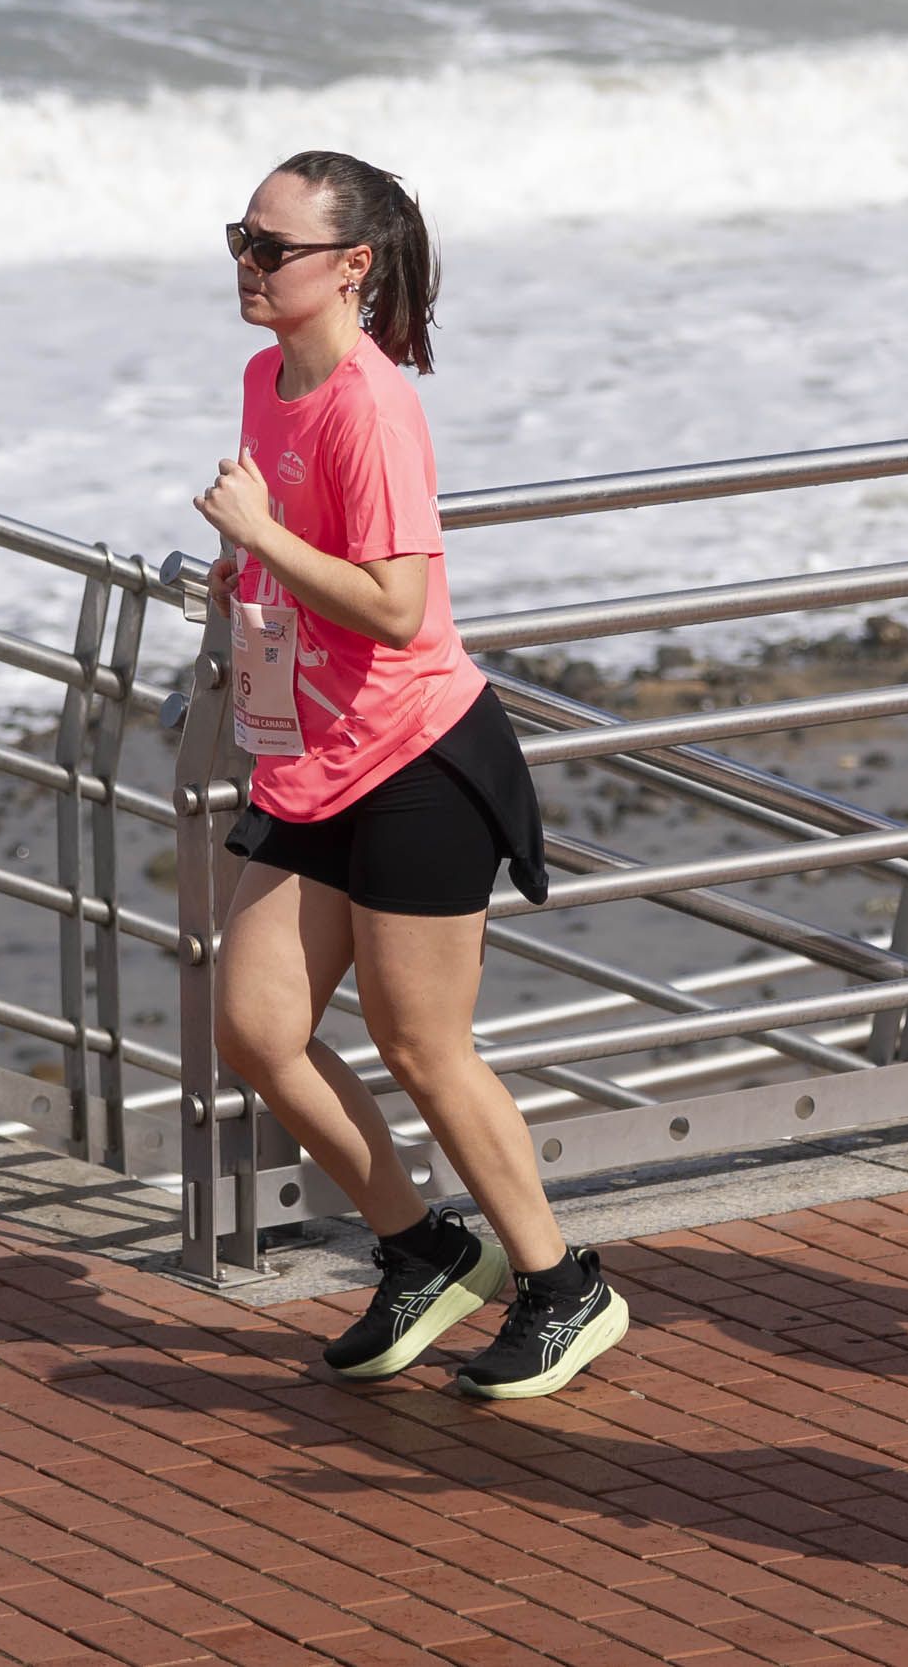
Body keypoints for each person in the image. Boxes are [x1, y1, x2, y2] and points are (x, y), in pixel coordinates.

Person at [196, 151, 628, 1397]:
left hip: (415, 755)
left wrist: (262, 538)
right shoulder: (266, 378)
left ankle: (563, 1284)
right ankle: (423, 1249)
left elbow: (396, 606)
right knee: (258, 1029)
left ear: (352, 267)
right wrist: (245, 577)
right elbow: (291, 555)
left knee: (423, 1041)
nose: (247, 262)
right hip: (308, 753)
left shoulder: (371, 407)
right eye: (241, 237)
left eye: (271, 247)